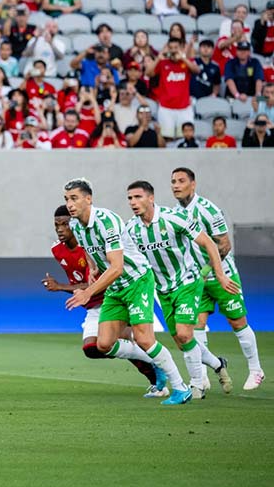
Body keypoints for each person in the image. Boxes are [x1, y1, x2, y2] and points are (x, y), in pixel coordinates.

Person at [61, 178, 192, 405]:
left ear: (88, 199)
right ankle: (155, 365)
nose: (70, 204)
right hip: (116, 286)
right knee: (103, 344)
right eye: (66, 199)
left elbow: (117, 267)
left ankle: (181, 388)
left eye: (74, 198)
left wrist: (87, 292)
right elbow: (93, 251)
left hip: (136, 281)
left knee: (144, 339)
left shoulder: (106, 221)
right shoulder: (75, 226)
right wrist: (93, 267)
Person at [125, 181, 237, 399]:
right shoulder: (131, 228)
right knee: (181, 341)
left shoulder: (173, 218)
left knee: (186, 334)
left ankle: (197, 386)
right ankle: (217, 363)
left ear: (151, 198)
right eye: (130, 198)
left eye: (138, 197)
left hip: (187, 282)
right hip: (162, 290)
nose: (133, 202)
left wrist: (220, 275)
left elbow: (209, 243)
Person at [42, 206, 164, 397]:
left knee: (126, 341)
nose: (60, 229)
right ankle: (155, 364)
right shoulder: (57, 250)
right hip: (92, 305)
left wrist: (60, 287)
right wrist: (66, 287)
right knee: (92, 349)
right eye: (56, 225)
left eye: (65, 224)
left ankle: (159, 381)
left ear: (74, 224)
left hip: (114, 298)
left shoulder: (90, 245)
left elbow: (104, 276)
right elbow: (79, 284)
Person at [171, 168, 265, 391]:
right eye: (173, 181)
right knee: (196, 326)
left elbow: (224, 244)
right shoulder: (175, 212)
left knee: (237, 322)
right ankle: (202, 376)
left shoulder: (209, 210)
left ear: (193, 184)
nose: (176, 185)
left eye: (181, 181)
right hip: (196, 280)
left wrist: (206, 270)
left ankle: (255, 369)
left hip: (222, 275)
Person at [145, 37, 198, 141]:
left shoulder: (187, 62)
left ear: (181, 48)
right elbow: (148, 73)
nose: (173, 50)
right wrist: (158, 58)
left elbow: (196, 70)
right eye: (171, 48)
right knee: (166, 138)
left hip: (184, 107)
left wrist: (183, 58)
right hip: (166, 108)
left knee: (185, 138)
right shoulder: (163, 63)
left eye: (176, 47)